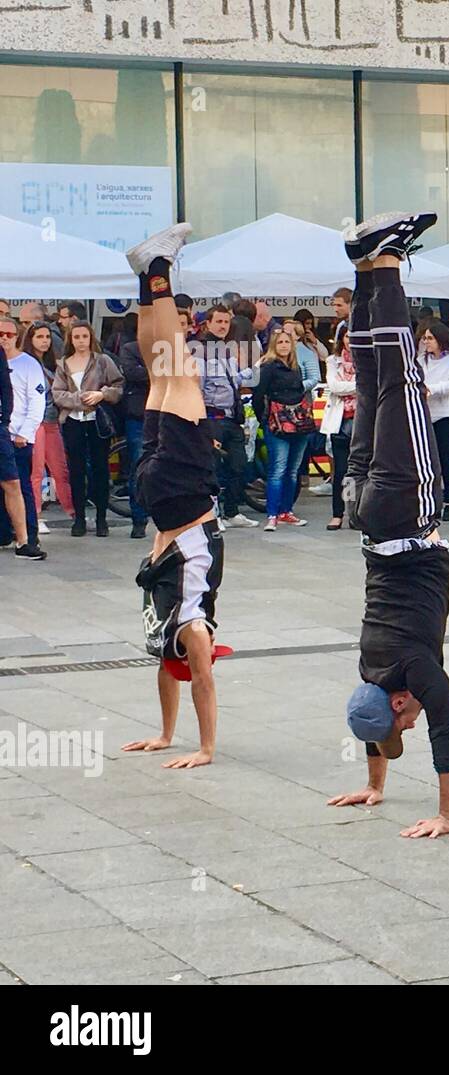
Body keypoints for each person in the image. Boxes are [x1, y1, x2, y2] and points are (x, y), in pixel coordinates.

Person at [323, 213, 449, 838]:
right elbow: (377, 720)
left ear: (400, 703)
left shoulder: (414, 675)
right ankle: (366, 265)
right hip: (364, 513)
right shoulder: (369, 669)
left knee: (402, 378)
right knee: (374, 380)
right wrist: (373, 785)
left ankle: (386, 265)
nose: (407, 725)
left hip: (406, 511)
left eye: (400, 723)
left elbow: (448, 734)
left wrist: (447, 814)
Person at [119, 223, 224, 769]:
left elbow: (198, 676)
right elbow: (168, 667)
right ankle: (146, 277)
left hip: (184, 497)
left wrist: (204, 748)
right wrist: (163, 735)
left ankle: (157, 271)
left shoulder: (188, 623)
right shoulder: (165, 629)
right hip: (155, 492)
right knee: (164, 375)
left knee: (177, 371)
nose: (192, 654)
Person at [51, 321, 123, 538]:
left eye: (84, 336)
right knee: (76, 469)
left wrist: (102, 394)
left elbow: (118, 386)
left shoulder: (102, 361)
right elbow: (57, 393)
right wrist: (80, 400)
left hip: (96, 419)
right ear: (70, 340)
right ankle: (79, 518)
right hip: (73, 419)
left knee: (101, 468)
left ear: (91, 338)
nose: (81, 341)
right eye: (76, 337)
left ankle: (102, 518)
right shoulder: (63, 363)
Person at [198, 304, 257, 530]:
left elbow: (234, 381)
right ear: (209, 323)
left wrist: (252, 370)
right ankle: (212, 515)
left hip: (232, 417)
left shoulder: (226, 350)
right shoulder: (201, 352)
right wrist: (202, 424)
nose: (223, 326)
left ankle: (231, 511)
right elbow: (199, 388)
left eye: (225, 322)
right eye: (219, 322)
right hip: (212, 416)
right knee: (211, 468)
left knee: (239, 465)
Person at [252, 327, 311, 532]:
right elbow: (257, 396)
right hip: (276, 424)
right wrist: (264, 418)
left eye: (287, 342)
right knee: (277, 470)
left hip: (299, 423)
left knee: (292, 471)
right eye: (280, 343)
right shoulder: (268, 366)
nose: (284, 346)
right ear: (273, 346)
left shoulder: (296, 367)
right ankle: (272, 514)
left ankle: (287, 511)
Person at [20, 322, 73, 537]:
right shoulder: (26, 363)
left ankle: (72, 512)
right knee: (36, 471)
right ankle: (36, 515)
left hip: (52, 420)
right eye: (39, 336)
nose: (44, 340)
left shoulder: (54, 364)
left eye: (47, 337)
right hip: (34, 422)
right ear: (30, 339)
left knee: (60, 468)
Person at [0, 316, 46, 559]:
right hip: (3, 433)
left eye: (9, 334)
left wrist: (24, 433)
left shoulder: (28, 364)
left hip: (18, 436)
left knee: (19, 486)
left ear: (17, 337)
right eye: (1, 334)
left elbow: (36, 402)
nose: (5, 339)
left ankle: (28, 534)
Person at [416, 317, 449, 524]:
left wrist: (433, 389)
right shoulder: (421, 360)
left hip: (448, 414)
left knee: (446, 459)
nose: (427, 342)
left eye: (431, 338)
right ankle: (430, 501)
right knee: (427, 462)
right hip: (427, 415)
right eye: (425, 338)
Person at [110, 315, 152, 539]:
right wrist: (158, 372)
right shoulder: (130, 348)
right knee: (138, 466)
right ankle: (139, 518)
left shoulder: (166, 349)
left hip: (163, 412)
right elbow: (133, 373)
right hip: (138, 414)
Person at [321, 327, 357, 531]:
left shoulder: (369, 360)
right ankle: (337, 513)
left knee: (358, 472)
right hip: (341, 420)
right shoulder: (333, 361)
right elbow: (334, 386)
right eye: (346, 337)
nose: (349, 341)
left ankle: (354, 512)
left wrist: (352, 386)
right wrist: (357, 385)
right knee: (340, 470)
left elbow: (371, 384)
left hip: (362, 421)